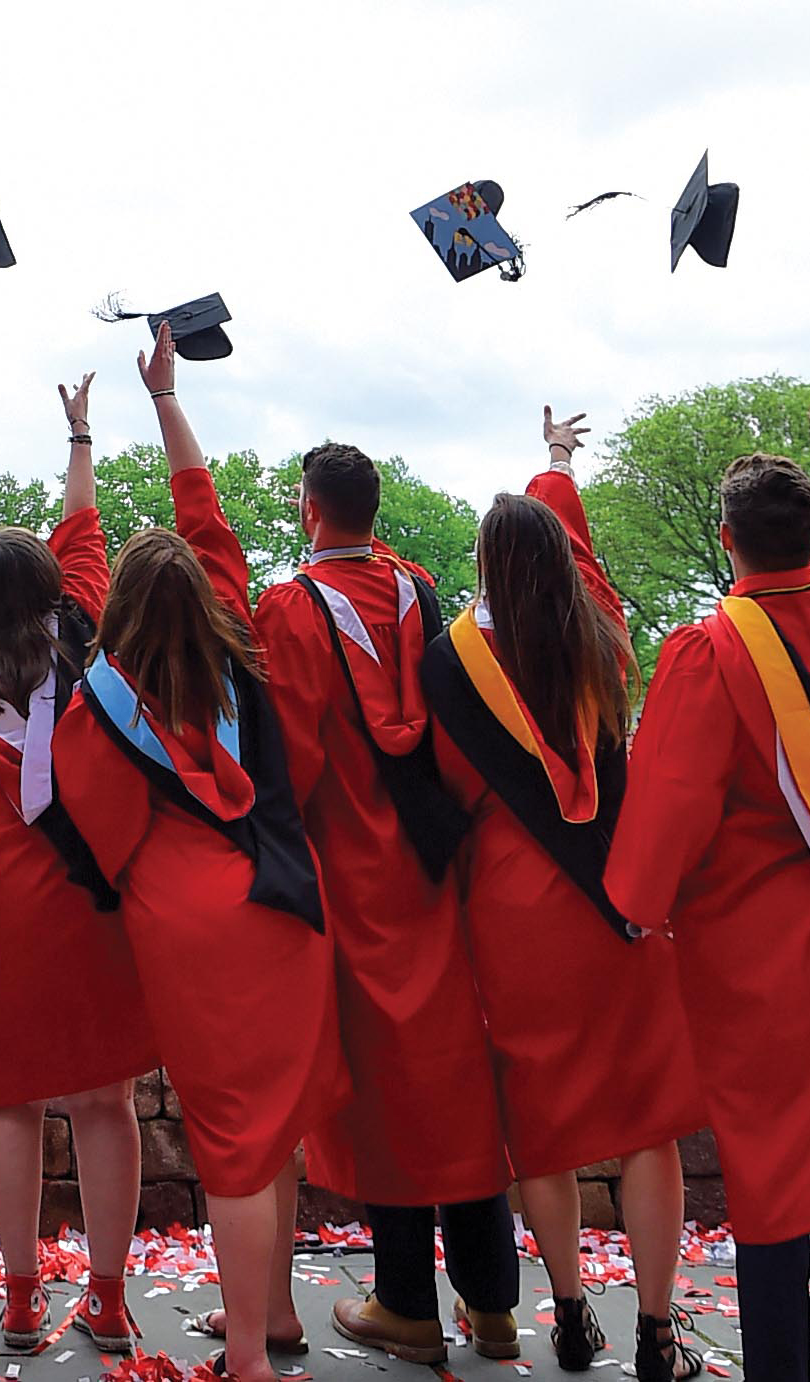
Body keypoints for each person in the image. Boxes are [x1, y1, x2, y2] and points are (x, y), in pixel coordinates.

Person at [50, 323, 345, 1382]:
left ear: (122, 611)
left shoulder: (98, 709)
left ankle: (253, 1366)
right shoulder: (245, 643)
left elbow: (101, 834)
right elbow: (202, 509)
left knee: (227, 1135)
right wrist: (166, 397)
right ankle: (275, 1316)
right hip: (285, 896)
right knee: (276, 1125)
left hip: (189, 923)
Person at [420, 408, 704, 1381]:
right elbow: (579, 556)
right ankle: (659, 1328)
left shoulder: (453, 661)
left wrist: (549, 465)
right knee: (647, 1123)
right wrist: (556, 466)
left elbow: (450, 786)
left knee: (540, 1124)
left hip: (513, 913)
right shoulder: (605, 640)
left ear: (489, 567)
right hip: (617, 901)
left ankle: (574, 1310)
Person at [251, 443, 518, 1364]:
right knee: (451, 1078)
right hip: (432, 865)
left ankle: (407, 1303)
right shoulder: (416, 591)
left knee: (386, 1093)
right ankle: (491, 1304)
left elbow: (289, 758)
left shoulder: (289, 609)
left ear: (309, 510)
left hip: (348, 875)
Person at [0, 373, 156, 1356]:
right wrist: (82, 433)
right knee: (106, 1098)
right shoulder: (85, 637)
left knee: (9, 1098)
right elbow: (85, 529)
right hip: (85, 893)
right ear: (53, 593)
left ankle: (18, 1298)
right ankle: (106, 1294)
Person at [606, 452, 810, 1382]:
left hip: (763, 953)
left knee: (777, 1172)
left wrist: (636, 909)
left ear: (727, 540)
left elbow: (666, 814)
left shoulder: (713, 651)